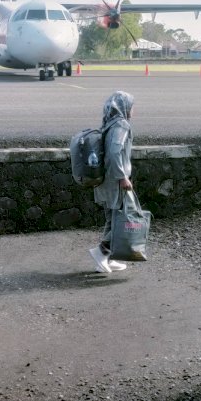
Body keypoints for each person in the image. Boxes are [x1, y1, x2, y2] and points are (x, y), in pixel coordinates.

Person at [89, 91, 135, 273]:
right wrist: (122, 177)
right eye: (132, 106)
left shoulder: (109, 123)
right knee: (120, 219)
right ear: (125, 107)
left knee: (112, 218)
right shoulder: (121, 125)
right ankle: (101, 251)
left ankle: (110, 256)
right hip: (114, 180)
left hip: (105, 179)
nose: (133, 110)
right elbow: (115, 152)